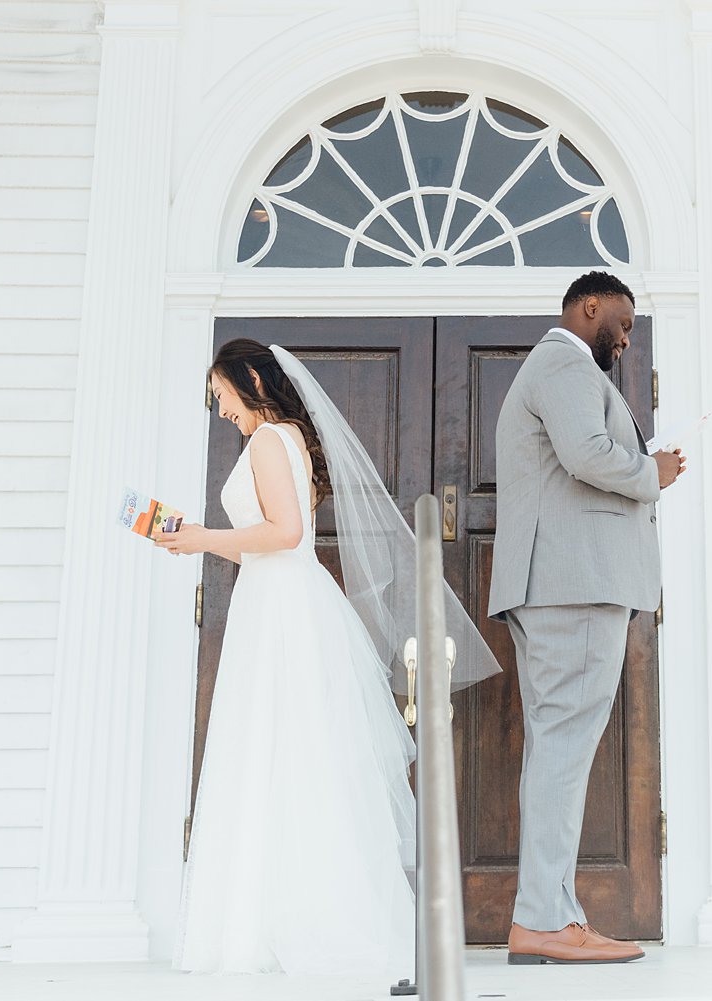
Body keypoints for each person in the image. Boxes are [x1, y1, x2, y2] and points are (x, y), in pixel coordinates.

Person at [158, 338, 498, 975]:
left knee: (279, 751)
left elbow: (283, 534)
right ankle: (283, 917)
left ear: (250, 379)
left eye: (221, 393)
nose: (219, 407)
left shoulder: (266, 441)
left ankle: (280, 926)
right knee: (292, 752)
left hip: (282, 609)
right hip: (282, 595)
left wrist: (205, 535)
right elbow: (271, 545)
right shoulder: (283, 439)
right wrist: (198, 544)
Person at [487, 271, 686, 965]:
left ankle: (551, 912)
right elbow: (587, 454)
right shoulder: (564, 362)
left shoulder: (558, 368)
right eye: (623, 324)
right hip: (571, 584)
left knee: (558, 750)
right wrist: (649, 472)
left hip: (560, 583)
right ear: (589, 306)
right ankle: (544, 917)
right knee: (564, 751)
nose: (626, 340)